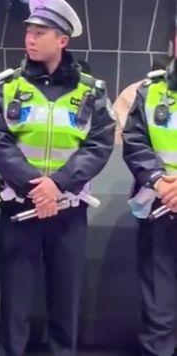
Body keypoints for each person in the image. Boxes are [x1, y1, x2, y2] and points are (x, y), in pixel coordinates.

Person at [0, 0, 115, 356]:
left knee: (65, 297)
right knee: (15, 298)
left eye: (40, 32)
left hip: (68, 210)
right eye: (29, 31)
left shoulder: (91, 91)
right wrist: (35, 188)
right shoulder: (6, 86)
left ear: (62, 40)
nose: (30, 38)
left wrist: (57, 186)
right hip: (19, 208)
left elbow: (99, 144)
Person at [122, 58, 177, 356]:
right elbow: (135, 142)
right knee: (158, 308)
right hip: (161, 208)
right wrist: (159, 181)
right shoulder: (150, 90)